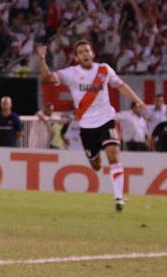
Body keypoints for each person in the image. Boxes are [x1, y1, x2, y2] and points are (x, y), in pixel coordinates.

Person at [38, 40, 149, 211]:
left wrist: (137, 101)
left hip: (107, 120)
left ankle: (119, 198)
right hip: (87, 126)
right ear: (76, 57)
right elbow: (47, 78)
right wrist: (41, 59)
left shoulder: (104, 69)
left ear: (93, 54)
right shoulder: (71, 73)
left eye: (87, 51)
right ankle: (98, 161)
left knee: (113, 155)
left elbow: (121, 86)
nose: (85, 54)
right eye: (81, 52)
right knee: (96, 165)